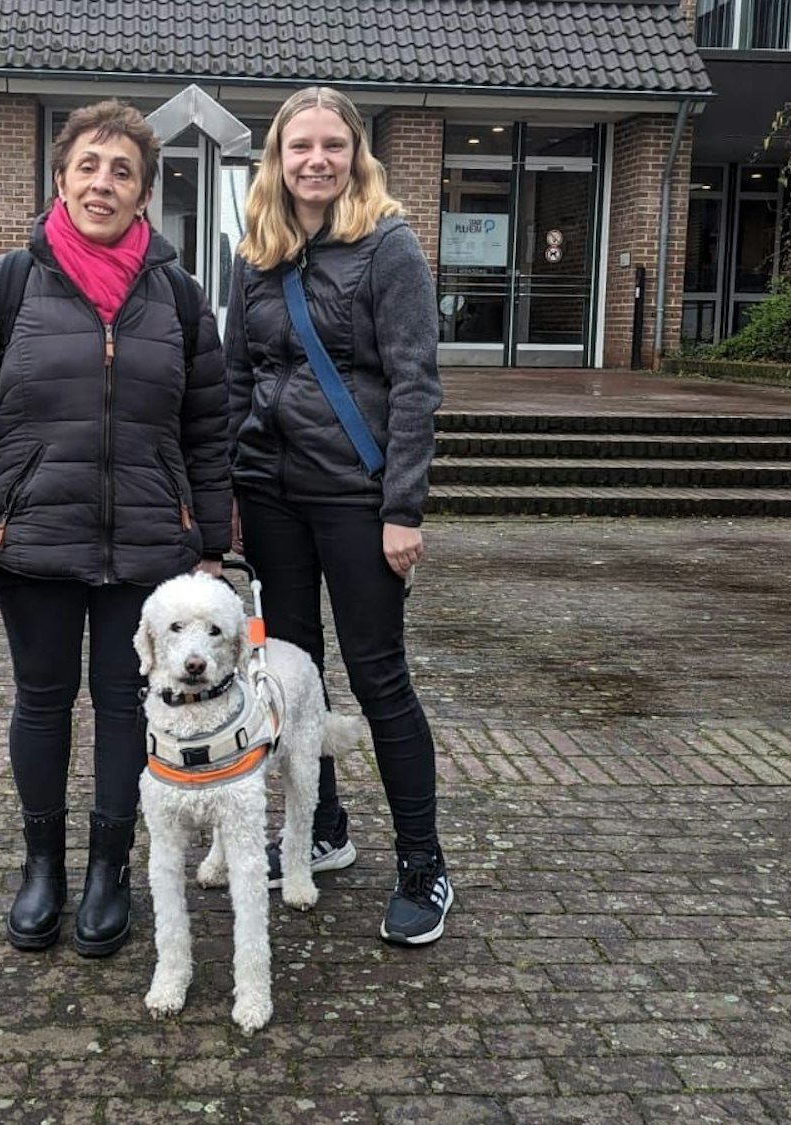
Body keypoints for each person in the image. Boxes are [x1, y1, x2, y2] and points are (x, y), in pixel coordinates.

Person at [0, 100, 229, 956]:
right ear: (61, 177)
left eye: (123, 170)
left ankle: (108, 869)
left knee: (128, 706)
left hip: (149, 545)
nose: (104, 182)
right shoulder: (1, 285)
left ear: (145, 194)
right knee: (43, 702)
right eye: (89, 165)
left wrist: (210, 545)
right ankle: (43, 868)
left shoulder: (177, 296)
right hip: (36, 541)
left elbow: (208, 426)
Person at [224, 86, 451, 946]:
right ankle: (324, 827)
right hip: (273, 496)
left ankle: (424, 865)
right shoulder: (258, 253)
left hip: (358, 498)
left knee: (379, 676)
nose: (316, 160)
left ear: (357, 154)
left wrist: (403, 507)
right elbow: (235, 380)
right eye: (299, 147)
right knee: (292, 676)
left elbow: (416, 385)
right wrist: (230, 498)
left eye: (333, 145)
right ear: (277, 160)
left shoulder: (388, 245)